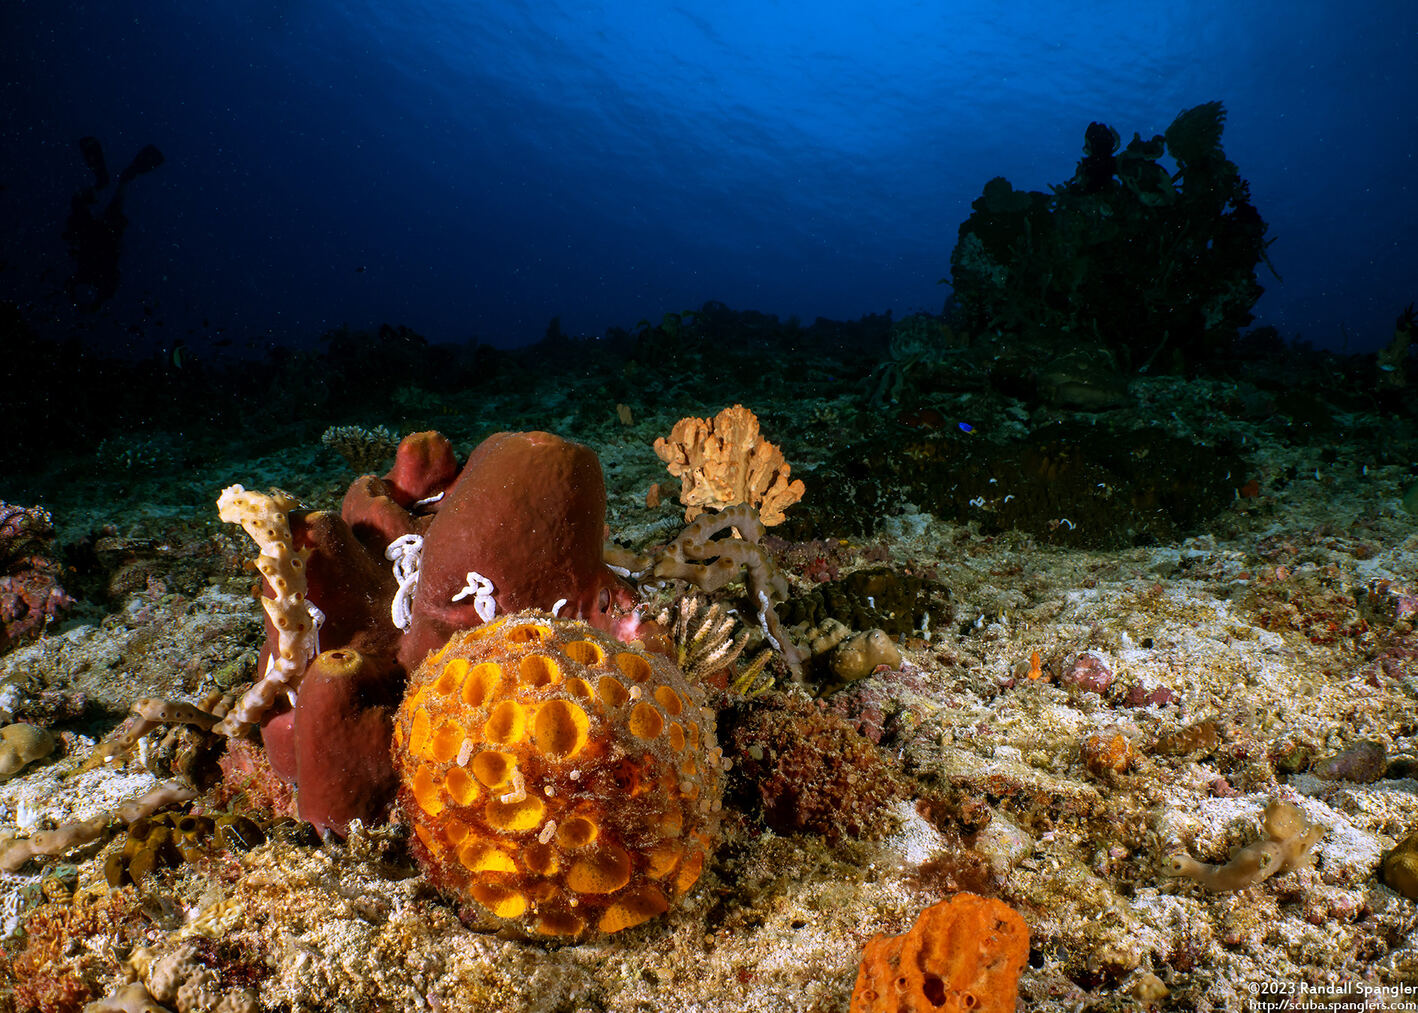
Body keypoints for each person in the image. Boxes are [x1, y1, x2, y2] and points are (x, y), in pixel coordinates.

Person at [62, 137, 164, 311]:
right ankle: (112, 180)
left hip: (99, 235)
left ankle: (106, 182)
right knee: (94, 204)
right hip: (103, 235)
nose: (87, 291)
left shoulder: (92, 279)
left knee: (83, 203)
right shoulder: (100, 282)